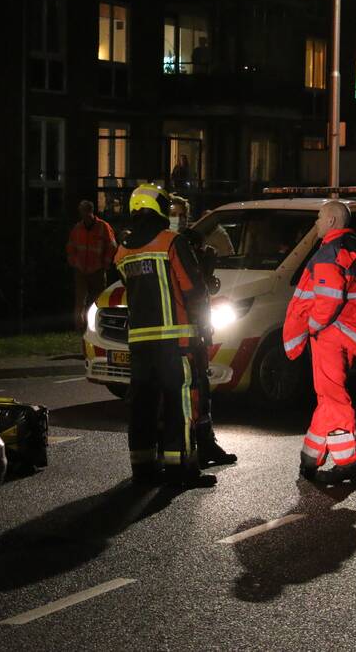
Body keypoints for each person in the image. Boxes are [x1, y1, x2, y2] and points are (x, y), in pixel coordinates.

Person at [114, 184, 216, 488]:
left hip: (140, 342)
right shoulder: (171, 242)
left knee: (142, 404)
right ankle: (180, 470)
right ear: (159, 207)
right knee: (179, 403)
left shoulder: (123, 250)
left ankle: (142, 468)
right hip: (176, 340)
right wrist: (203, 326)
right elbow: (191, 289)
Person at [282, 200, 356, 485]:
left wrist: (311, 327)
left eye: (318, 218)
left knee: (335, 399)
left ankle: (350, 464)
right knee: (328, 396)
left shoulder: (329, 252)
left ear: (331, 221)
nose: (315, 224)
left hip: (329, 335)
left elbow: (328, 301)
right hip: (350, 333)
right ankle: (310, 459)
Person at [177, 226, 237, 468]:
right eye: (199, 248)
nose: (206, 252)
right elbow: (192, 293)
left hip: (197, 335)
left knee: (202, 391)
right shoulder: (181, 266)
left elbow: (205, 292)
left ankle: (206, 442)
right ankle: (193, 446)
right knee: (193, 392)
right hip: (186, 338)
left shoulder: (192, 265)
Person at [67, 200, 117, 332]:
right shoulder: (78, 228)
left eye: (84, 212)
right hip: (81, 269)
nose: (83, 215)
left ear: (90, 211)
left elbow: (111, 246)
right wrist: (74, 261)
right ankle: (80, 327)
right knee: (80, 301)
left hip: (97, 269)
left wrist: (105, 263)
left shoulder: (103, 227)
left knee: (97, 299)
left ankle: (95, 326)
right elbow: (71, 246)